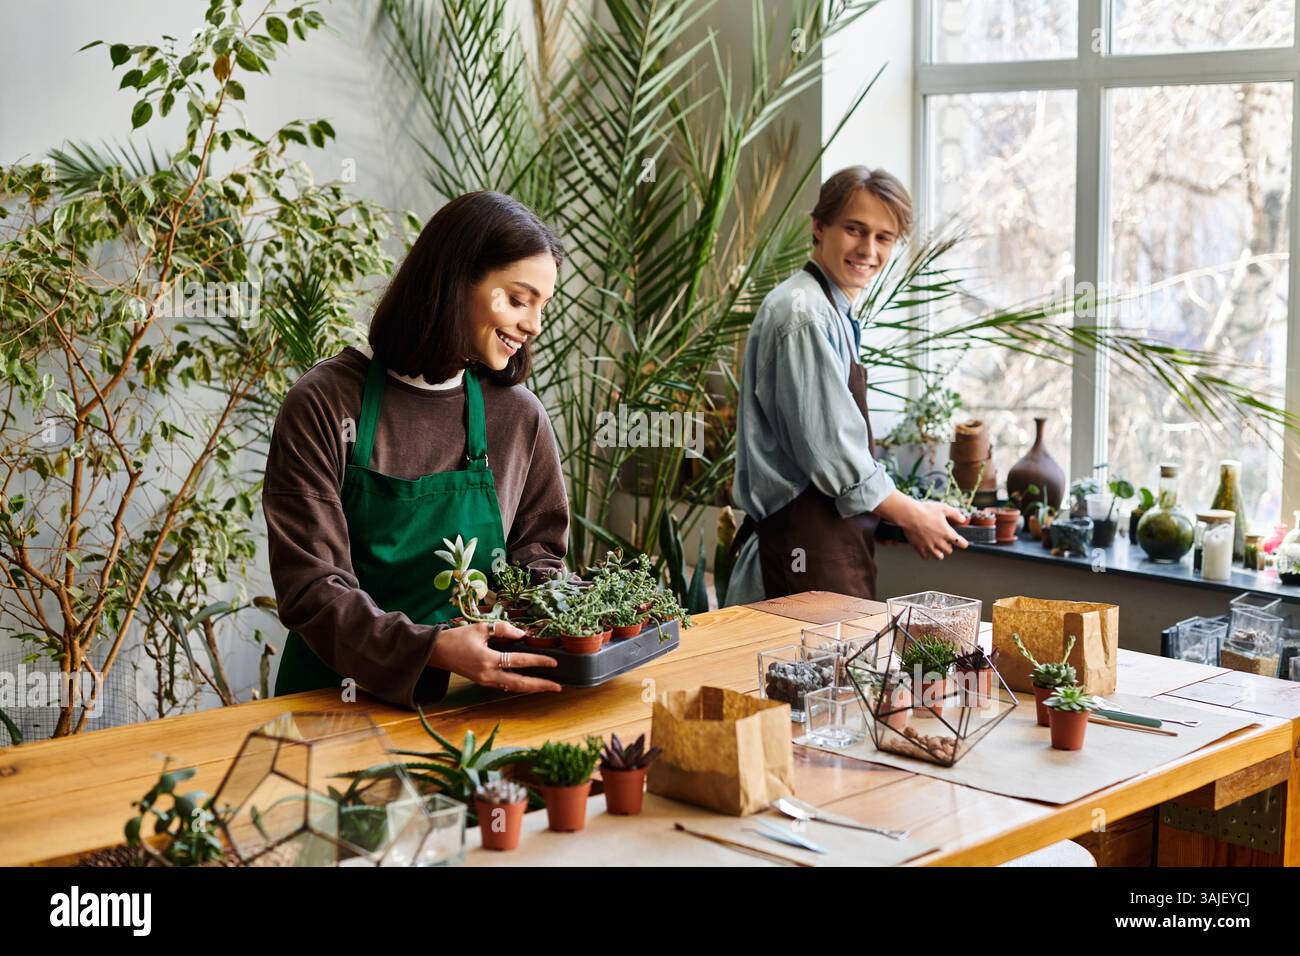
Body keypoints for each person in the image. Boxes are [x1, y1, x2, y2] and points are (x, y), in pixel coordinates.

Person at [264, 191, 570, 705]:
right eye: (518, 300)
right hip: (334, 703)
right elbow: (313, 589)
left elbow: (539, 559)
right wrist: (431, 648)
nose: (534, 325)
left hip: (476, 699)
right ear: (455, 281)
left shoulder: (518, 416)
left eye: (542, 306)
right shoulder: (323, 404)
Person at [728, 166, 969, 604]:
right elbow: (832, 453)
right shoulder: (804, 316)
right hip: (798, 556)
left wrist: (904, 512)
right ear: (819, 227)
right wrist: (911, 514)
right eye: (855, 230)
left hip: (825, 551)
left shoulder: (832, 310)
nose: (868, 249)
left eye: (883, 238)